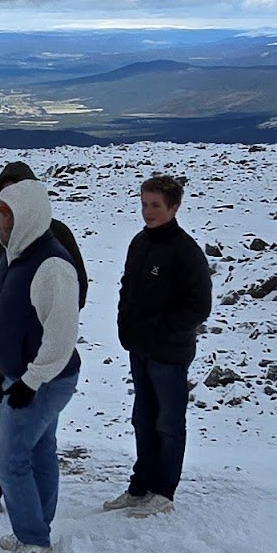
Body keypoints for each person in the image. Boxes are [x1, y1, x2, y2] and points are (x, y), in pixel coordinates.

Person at [0, 161, 85, 523]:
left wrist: (47, 328)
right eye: (3, 196)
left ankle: (35, 522)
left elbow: (76, 287)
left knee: (38, 439)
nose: (8, 211)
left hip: (38, 358)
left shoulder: (55, 235)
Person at [0, 171, 84, 553]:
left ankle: (33, 540)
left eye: (10, 214)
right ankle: (35, 527)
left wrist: (31, 380)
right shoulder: (17, 256)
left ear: (30, 214)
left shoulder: (51, 266)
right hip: (28, 377)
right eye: (0, 213)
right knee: (39, 450)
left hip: (45, 379)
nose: (4, 222)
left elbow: (62, 335)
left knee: (7, 457)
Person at [109, 171, 213, 512]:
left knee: (168, 424)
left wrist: (162, 331)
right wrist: (125, 325)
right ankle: (140, 486)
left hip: (169, 353)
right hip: (140, 349)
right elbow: (127, 288)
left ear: (174, 208)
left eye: (155, 205)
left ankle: (163, 491)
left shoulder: (186, 251)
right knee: (143, 420)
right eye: (144, 204)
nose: (148, 211)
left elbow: (198, 306)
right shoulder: (140, 243)